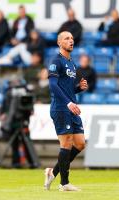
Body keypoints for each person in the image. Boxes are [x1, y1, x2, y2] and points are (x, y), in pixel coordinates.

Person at [44, 31, 88, 191]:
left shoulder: (72, 63)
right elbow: (53, 86)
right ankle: (64, 183)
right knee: (67, 143)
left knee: (80, 143)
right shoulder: (56, 61)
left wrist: (78, 88)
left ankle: (52, 172)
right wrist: (69, 103)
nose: (71, 41)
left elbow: (67, 89)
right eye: (67, 38)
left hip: (71, 106)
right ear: (59, 43)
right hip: (61, 108)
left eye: (72, 38)